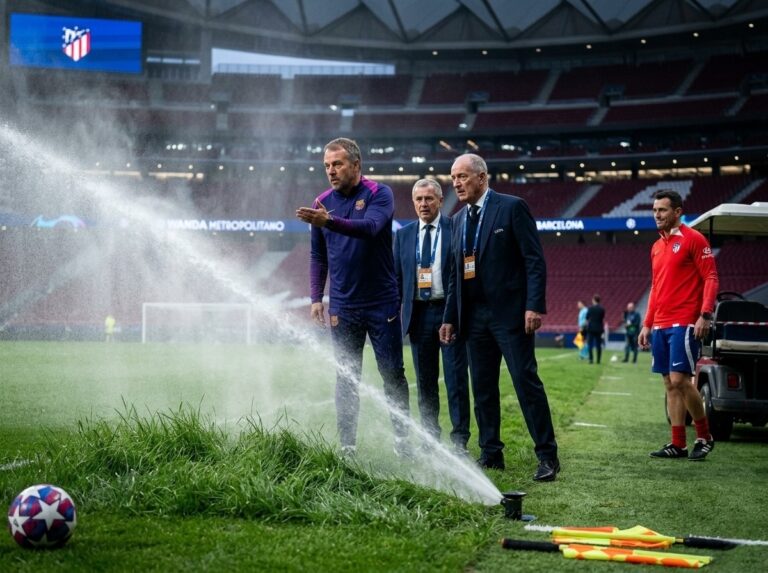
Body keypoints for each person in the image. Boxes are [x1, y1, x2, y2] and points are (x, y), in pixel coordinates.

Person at [438, 153, 559, 482]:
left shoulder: (512, 207)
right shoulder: (459, 219)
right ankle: (491, 453)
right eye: (453, 178)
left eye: (462, 176)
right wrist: (450, 317)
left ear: (481, 177)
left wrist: (534, 305)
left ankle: (547, 456)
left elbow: (534, 259)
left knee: (524, 381)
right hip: (473, 317)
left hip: (510, 316)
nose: (456, 183)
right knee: (483, 387)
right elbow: (454, 276)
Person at [296, 137, 411, 458]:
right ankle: (348, 446)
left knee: (393, 374)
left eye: (338, 164)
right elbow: (318, 255)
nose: (331, 171)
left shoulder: (379, 194)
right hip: (343, 306)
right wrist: (316, 296)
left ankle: (403, 441)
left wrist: (329, 220)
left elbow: (371, 228)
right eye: (327, 166)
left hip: (382, 302)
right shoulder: (321, 202)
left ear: (356, 165)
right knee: (346, 378)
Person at [639, 189, 718, 461]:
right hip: (660, 324)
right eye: (654, 210)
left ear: (677, 212)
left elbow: (711, 278)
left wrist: (705, 314)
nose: (657, 215)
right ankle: (678, 444)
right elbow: (655, 287)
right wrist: (647, 323)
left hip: (685, 321)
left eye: (662, 210)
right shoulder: (656, 247)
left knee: (680, 380)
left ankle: (705, 437)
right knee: (668, 384)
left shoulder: (694, 239)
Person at [394, 178, 470, 453]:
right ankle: (429, 440)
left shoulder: (456, 228)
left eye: (429, 199)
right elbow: (396, 279)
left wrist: (455, 313)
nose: (423, 204)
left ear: (440, 200)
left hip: (450, 313)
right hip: (418, 315)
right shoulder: (403, 235)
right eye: (419, 199)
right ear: (413, 202)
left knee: (455, 380)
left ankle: (460, 442)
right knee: (426, 383)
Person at [585, 294, 605, 364]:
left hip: (591, 328)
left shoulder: (590, 308)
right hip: (599, 328)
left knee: (590, 344)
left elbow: (587, 318)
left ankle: (591, 359)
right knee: (598, 345)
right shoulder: (602, 309)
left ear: (593, 300)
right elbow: (602, 318)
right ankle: (598, 360)